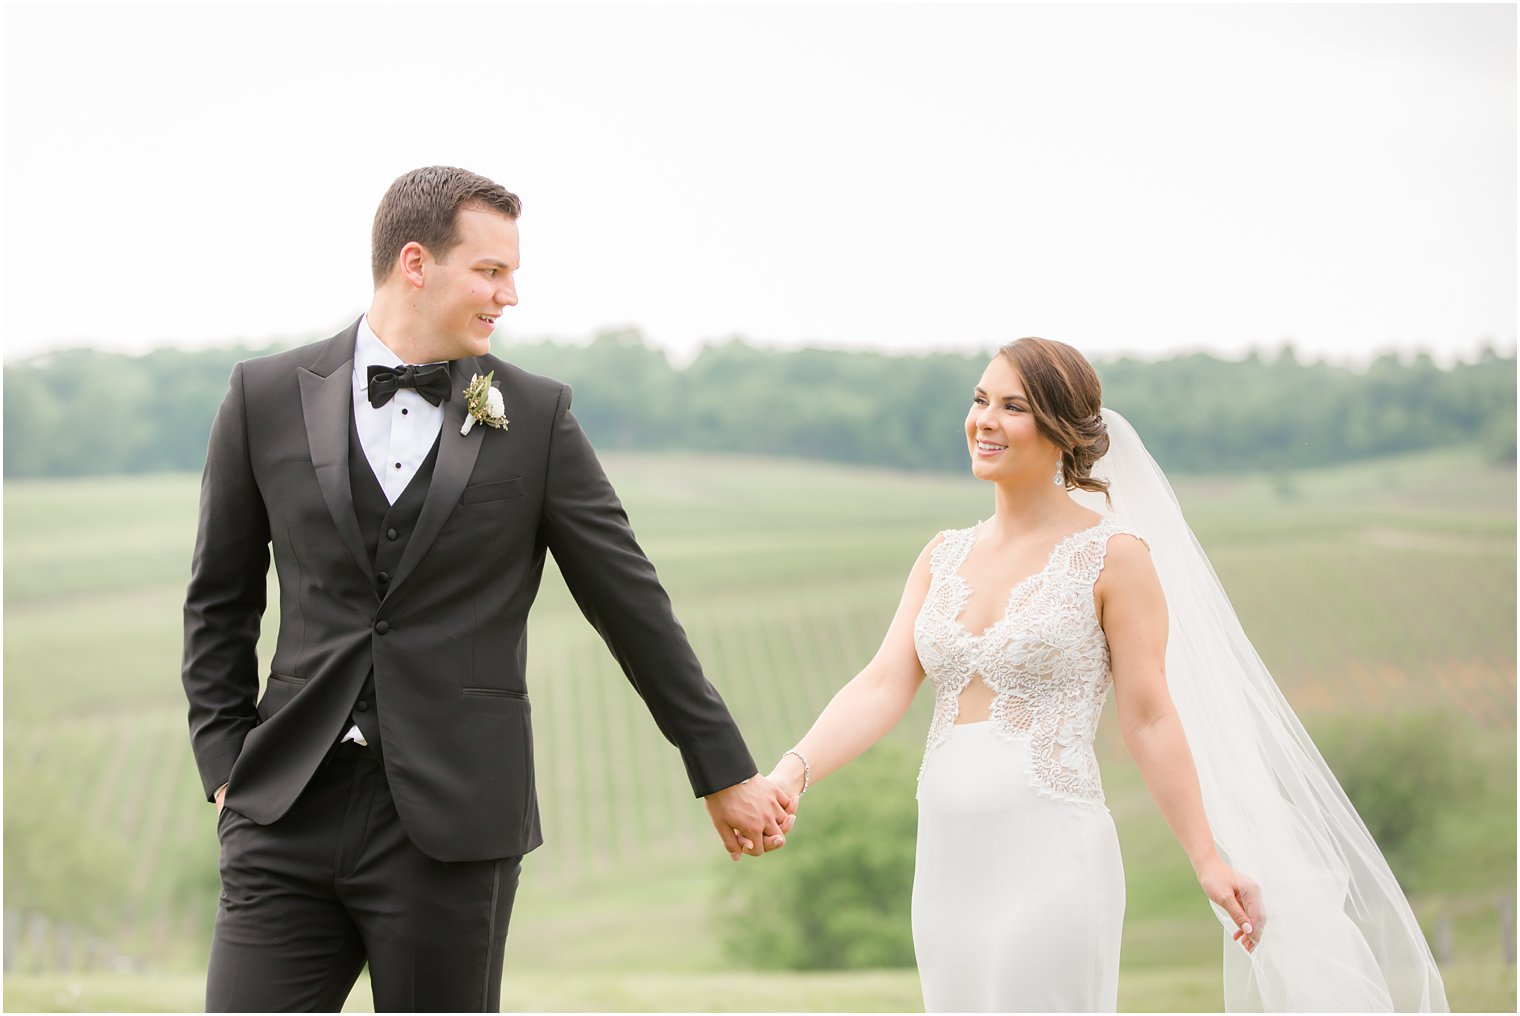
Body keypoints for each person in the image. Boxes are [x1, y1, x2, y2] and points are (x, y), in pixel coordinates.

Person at [181, 165, 794, 1012]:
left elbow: (629, 602)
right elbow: (219, 600)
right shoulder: (264, 396)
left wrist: (721, 769)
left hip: (453, 824)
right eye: (492, 271)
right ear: (415, 263)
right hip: (284, 809)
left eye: (512, 273)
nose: (509, 296)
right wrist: (224, 764)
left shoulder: (536, 417)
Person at [767, 337, 1448, 1012]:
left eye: (1013, 407)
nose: (984, 421)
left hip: (1052, 850)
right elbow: (882, 685)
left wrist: (1208, 857)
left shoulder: (1113, 558)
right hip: (949, 854)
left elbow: (1150, 716)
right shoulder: (942, 555)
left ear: (1063, 429)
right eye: (980, 401)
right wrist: (789, 775)